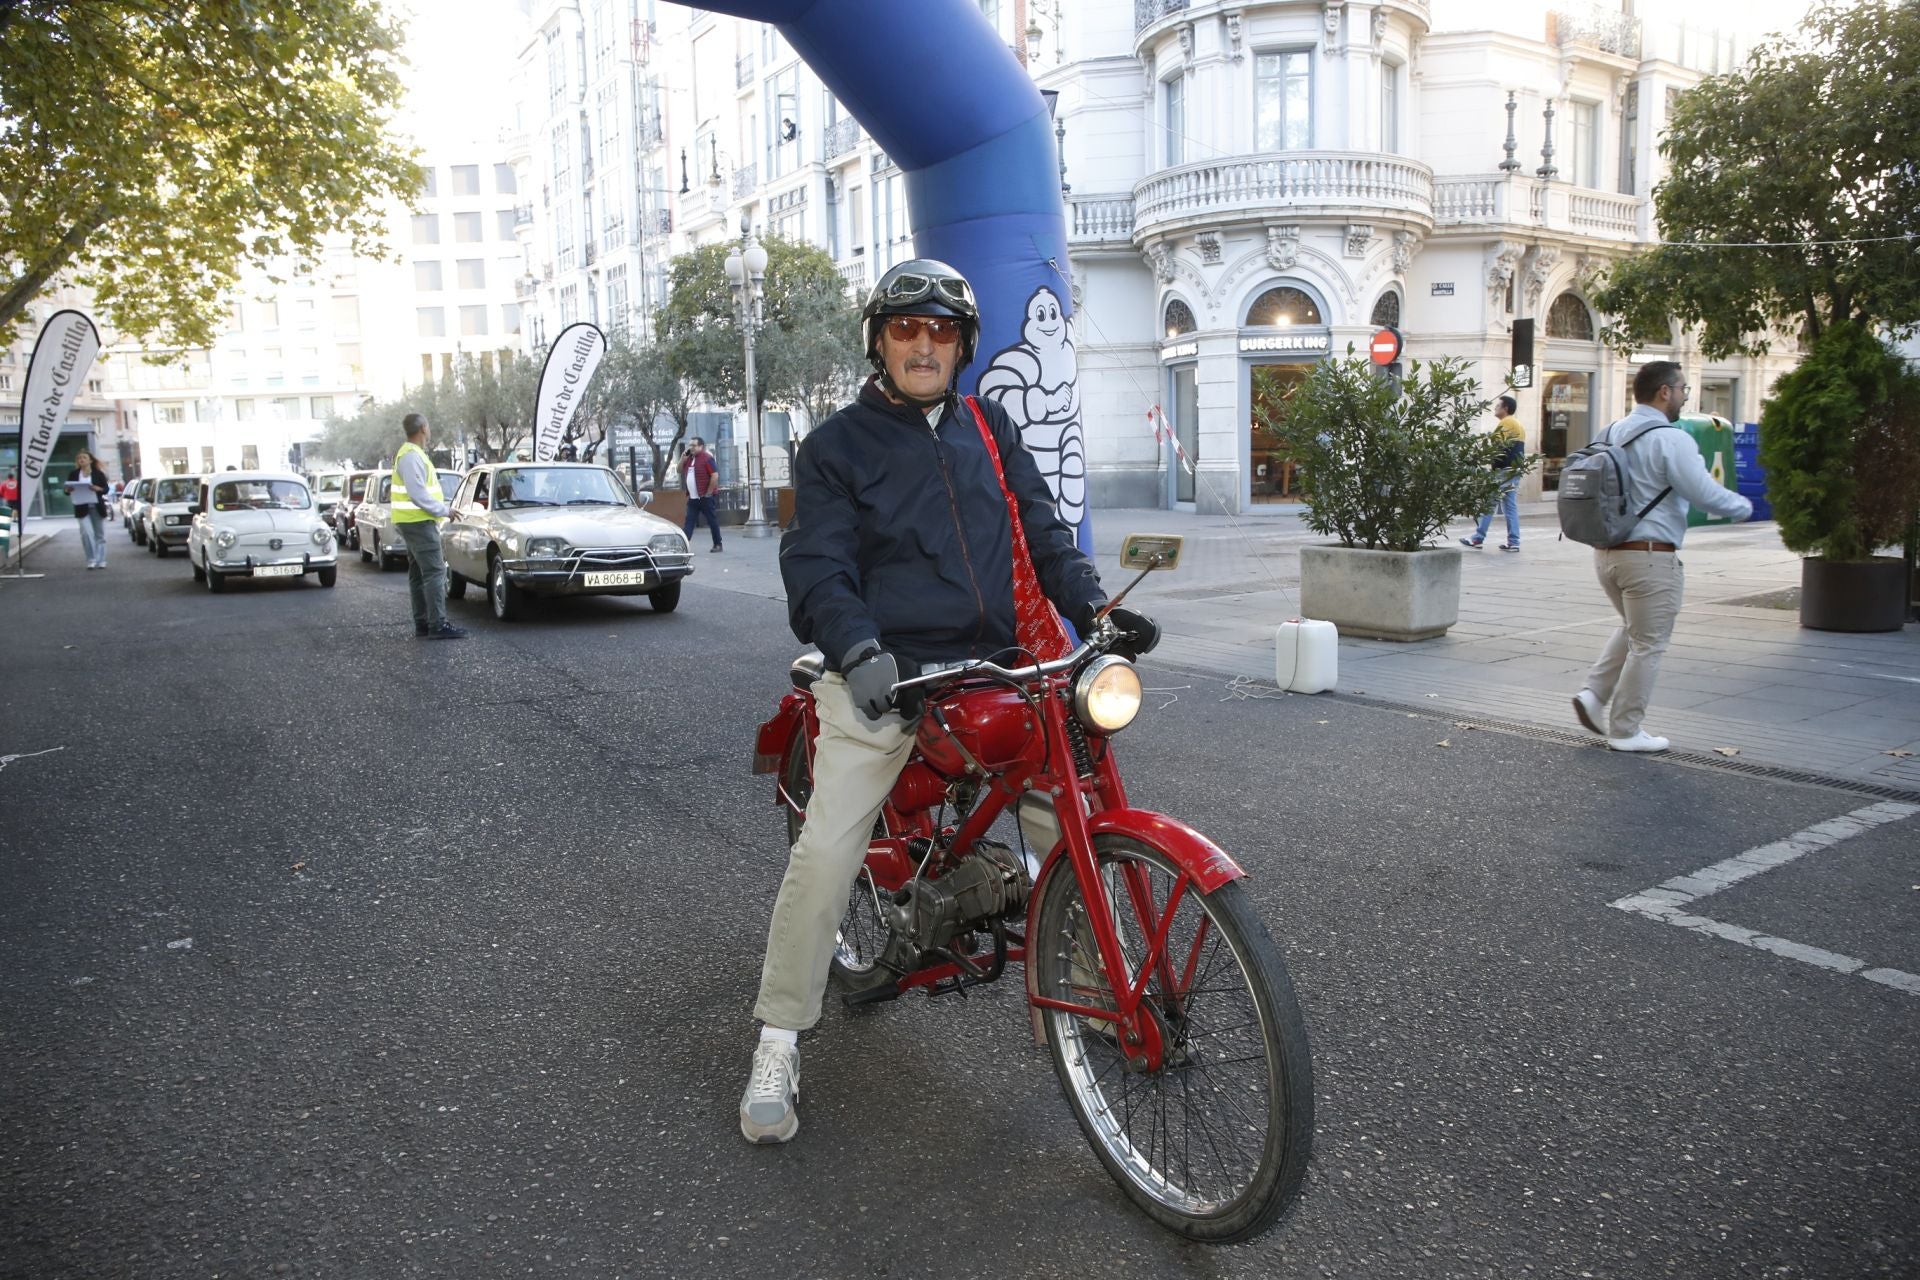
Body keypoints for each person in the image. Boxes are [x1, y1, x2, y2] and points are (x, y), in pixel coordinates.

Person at [739, 258, 1160, 1144]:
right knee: (828, 849)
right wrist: (859, 653)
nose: (922, 344)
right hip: (890, 674)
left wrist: (1093, 606)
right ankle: (779, 1034)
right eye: (905, 329)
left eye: (940, 331)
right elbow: (818, 565)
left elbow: (1043, 527)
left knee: (1067, 805)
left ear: (963, 346)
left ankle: (1089, 990)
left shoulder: (988, 424)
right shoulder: (836, 448)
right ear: (879, 342)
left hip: (1002, 665)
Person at [1572, 361, 1752, 753]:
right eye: (1684, 389)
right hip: (1649, 558)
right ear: (1664, 392)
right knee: (1649, 643)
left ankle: (1593, 695)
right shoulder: (1672, 439)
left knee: (1632, 628)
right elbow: (1702, 491)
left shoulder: (1612, 431)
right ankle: (1625, 729)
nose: (1687, 396)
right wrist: (1743, 506)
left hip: (1607, 554)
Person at [391, 413, 467, 640]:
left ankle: (423, 623)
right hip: (419, 522)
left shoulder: (409, 454)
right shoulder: (412, 456)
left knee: (418, 573)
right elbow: (418, 494)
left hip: (411, 521)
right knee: (435, 572)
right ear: (423, 428)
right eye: (429, 426)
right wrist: (445, 510)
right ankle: (437, 625)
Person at [1461, 394, 1526, 551]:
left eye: (1498, 406)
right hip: (1513, 470)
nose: (1495, 408)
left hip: (1504, 470)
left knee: (1489, 503)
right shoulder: (1516, 424)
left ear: (1506, 409)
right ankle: (1514, 541)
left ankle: (1478, 538)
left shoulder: (1507, 422)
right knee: (1509, 506)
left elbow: (1494, 448)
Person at [65, 451, 110, 570]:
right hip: (81, 507)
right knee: (86, 533)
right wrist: (68, 489)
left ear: (90, 460)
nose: (81, 459)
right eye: (79, 458)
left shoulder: (98, 474)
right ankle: (91, 559)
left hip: (96, 506)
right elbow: (66, 490)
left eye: (84, 457)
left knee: (99, 535)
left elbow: (106, 489)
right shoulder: (74, 474)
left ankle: (101, 560)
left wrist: (98, 488)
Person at [679, 437, 723, 552]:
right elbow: (679, 470)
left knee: (712, 520)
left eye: (694, 445)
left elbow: (715, 475)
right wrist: (682, 459)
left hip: (705, 497)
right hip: (693, 497)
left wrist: (708, 492)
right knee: (689, 521)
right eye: (690, 445)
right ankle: (683, 545)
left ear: (700, 447)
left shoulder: (707, 458)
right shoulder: (689, 459)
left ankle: (718, 544)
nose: (691, 448)